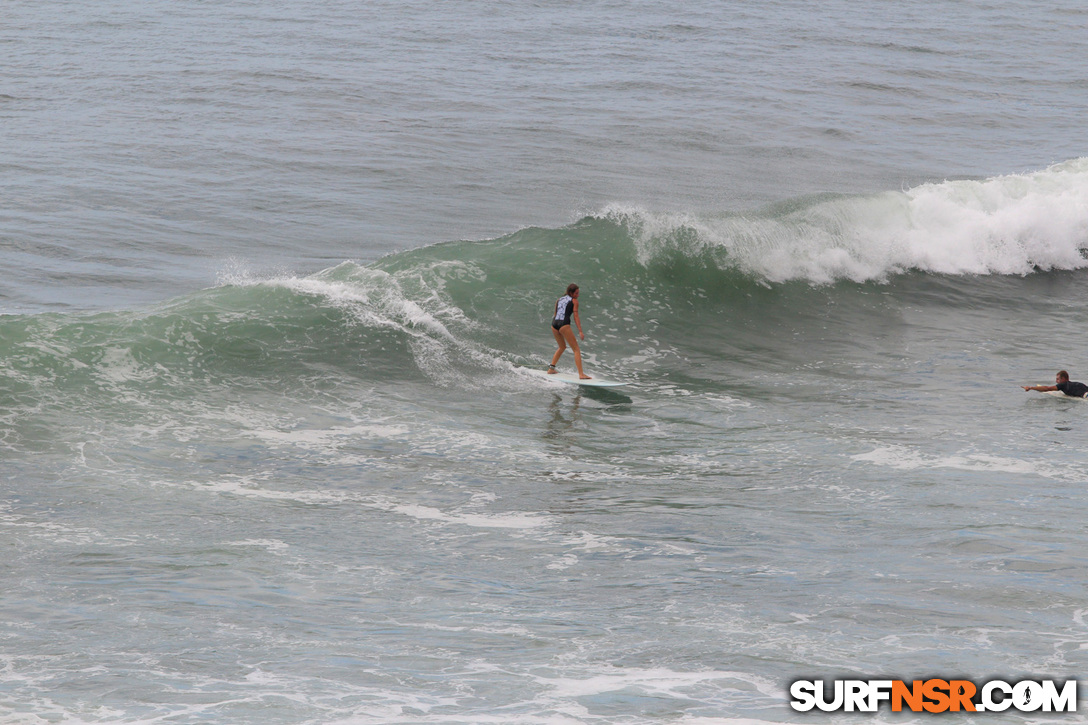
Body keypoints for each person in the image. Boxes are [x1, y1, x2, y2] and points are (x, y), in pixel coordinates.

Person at [548, 283, 590, 379]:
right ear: (571, 293)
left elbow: (556, 313)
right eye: (576, 293)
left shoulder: (559, 300)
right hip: (564, 324)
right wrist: (580, 331)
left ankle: (551, 369)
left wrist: (557, 325)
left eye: (578, 293)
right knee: (576, 349)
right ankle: (581, 374)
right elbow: (576, 317)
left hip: (554, 324)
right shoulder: (574, 301)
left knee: (562, 347)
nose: (578, 295)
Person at [1023, 370, 1088, 398]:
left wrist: (1031, 388)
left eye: (1057, 379)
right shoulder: (1075, 384)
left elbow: (1047, 388)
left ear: (1063, 379)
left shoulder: (1063, 385)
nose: (1056, 381)